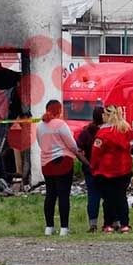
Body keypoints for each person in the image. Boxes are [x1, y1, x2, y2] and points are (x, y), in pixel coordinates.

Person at [36, 99, 89, 236]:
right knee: (63, 195)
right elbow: (72, 144)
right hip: (63, 162)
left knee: (50, 195)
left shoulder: (40, 126)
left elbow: (40, 144)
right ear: (59, 110)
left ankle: (49, 227)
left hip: (46, 164)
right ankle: (64, 228)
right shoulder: (60, 124)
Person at [92, 105, 133, 233]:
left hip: (107, 170)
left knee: (108, 199)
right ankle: (124, 224)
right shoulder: (125, 129)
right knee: (121, 197)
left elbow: (96, 152)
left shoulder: (103, 133)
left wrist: (93, 167)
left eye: (104, 114)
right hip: (124, 168)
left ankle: (108, 224)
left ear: (107, 116)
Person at [76, 106, 104, 232]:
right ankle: (113, 222)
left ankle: (93, 224)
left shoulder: (86, 132)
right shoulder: (106, 132)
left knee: (93, 196)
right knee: (109, 196)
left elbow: (78, 151)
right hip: (105, 168)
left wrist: (87, 163)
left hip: (90, 169)